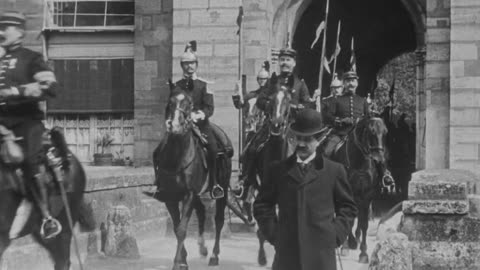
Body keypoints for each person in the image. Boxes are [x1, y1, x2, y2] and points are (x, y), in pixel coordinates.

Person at [253, 108, 357, 270]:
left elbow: (348, 208)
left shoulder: (334, 171)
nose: (301, 144)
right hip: (287, 255)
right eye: (297, 138)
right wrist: (275, 234)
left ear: (319, 139)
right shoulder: (278, 170)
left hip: (321, 256)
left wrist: (335, 235)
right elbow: (262, 205)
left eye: (307, 139)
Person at [0, 11, 61, 239]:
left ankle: (47, 217)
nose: (1, 32)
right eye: (0, 27)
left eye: (7, 27)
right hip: (0, 125)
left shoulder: (31, 58)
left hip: (26, 122)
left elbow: (50, 87)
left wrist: (16, 91)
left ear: (20, 31)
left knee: (30, 163)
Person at [166, 40, 224, 199]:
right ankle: (162, 183)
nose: (189, 66)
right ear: (182, 66)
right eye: (186, 64)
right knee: (164, 148)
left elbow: (209, 108)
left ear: (196, 65)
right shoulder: (176, 86)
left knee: (212, 149)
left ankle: (215, 183)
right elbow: (170, 106)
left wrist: (197, 115)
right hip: (181, 125)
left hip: (201, 126)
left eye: (192, 63)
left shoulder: (205, 85)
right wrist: (169, 120)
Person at [232, 61, 270, 193]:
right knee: (246, 154)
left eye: (265, 79)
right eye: (260, 79)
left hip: (270, 130)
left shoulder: (273, 96)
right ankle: (245, 179)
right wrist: (237, 94)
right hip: (255, 131)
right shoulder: (252, 95)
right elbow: (240, 104)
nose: (262, 81)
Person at [321, 70, 370, 158]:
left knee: (375, 154)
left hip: (359, 137)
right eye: (348, 81)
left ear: (357, 83)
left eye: (353, 81)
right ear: (343, 83)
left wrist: (361, 122)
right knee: (327, 152)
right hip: (340, 134)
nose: (351, 84)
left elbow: (368, 118)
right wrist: (340, 120)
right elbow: (328, 116)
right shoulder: (337, 99)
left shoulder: (362, 100)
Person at [256, 47, 313, 113]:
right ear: (279, 62)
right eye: (282, 60)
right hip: (272, 120)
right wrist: (272, 105)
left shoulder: (300, 84)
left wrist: (296, 107)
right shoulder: (272, 81)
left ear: (294, 63)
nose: (284, 63)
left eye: (288, 60)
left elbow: (307, 104)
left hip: (293, 121)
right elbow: (260, 101)